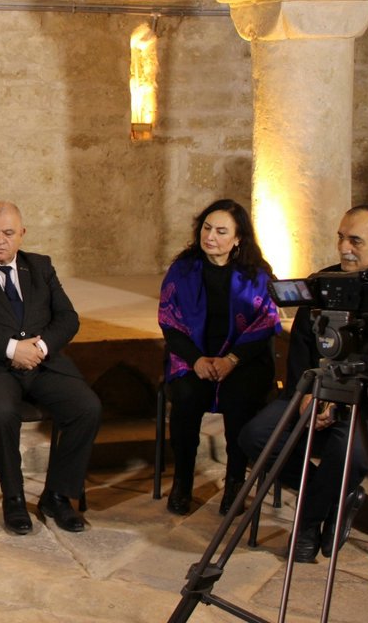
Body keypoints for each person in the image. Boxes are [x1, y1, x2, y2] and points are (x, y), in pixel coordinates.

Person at [240, 205, 368, 562]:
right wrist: (308, 396)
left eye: (355, 241)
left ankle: (307, 522)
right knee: (256, 436)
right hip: (320, 392)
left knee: (349, 448)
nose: (344, 248)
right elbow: (302, 346)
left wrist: (345, 401)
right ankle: (339, 497)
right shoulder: (324, 281)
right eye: (340, 237)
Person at [0, 201, 102, 534]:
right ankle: (13, 498)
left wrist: (38, 349)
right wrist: (12, 348)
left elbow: (68, 319)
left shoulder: (40, 266)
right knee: (1, 412)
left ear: (22, 234)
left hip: (41, 363)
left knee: (87, 407)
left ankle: (57, 496)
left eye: (8, 233)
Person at [158, 199, 282, 516]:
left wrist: (231, 360)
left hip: (242, 359)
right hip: (194, 357)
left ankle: (235, 484)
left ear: (238, 238)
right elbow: (169, 323)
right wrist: (197, 360)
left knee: (239, 399)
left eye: (221, 231)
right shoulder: (182, 270)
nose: (210, 236)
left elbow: (266, 324)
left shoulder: (258, 274)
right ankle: (183, 482)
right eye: (207, 228)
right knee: (186, 397)